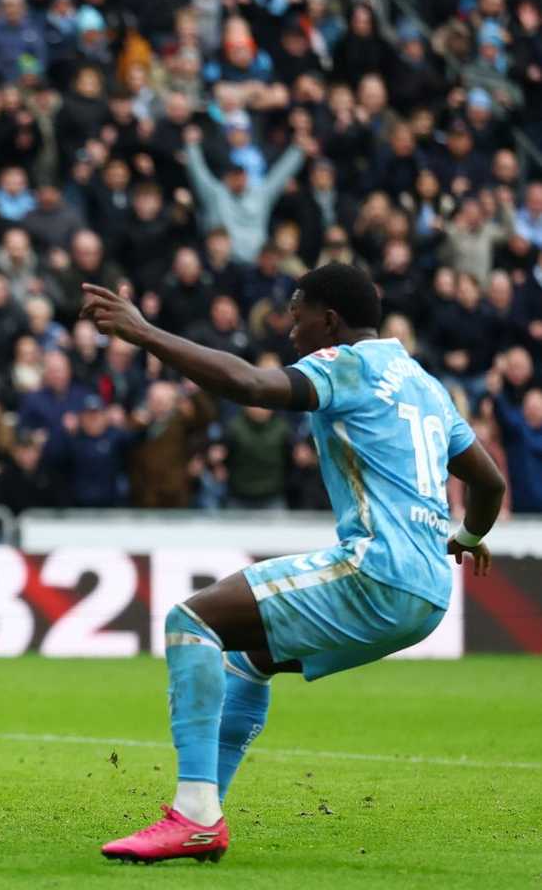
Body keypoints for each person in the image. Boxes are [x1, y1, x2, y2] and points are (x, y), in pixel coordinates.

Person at [80, 264, 506, 863]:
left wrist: (147, 334)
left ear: (329, 320)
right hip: (430, 592)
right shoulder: (425, 384)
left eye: (297, 312)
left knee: (190, 621)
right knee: (248, 662)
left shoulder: (348, 364)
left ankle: (195, 816)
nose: (289, 328)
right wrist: (466, 535)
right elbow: (487, 482)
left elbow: (253, 387)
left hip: (374, 572)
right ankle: (203, 816)